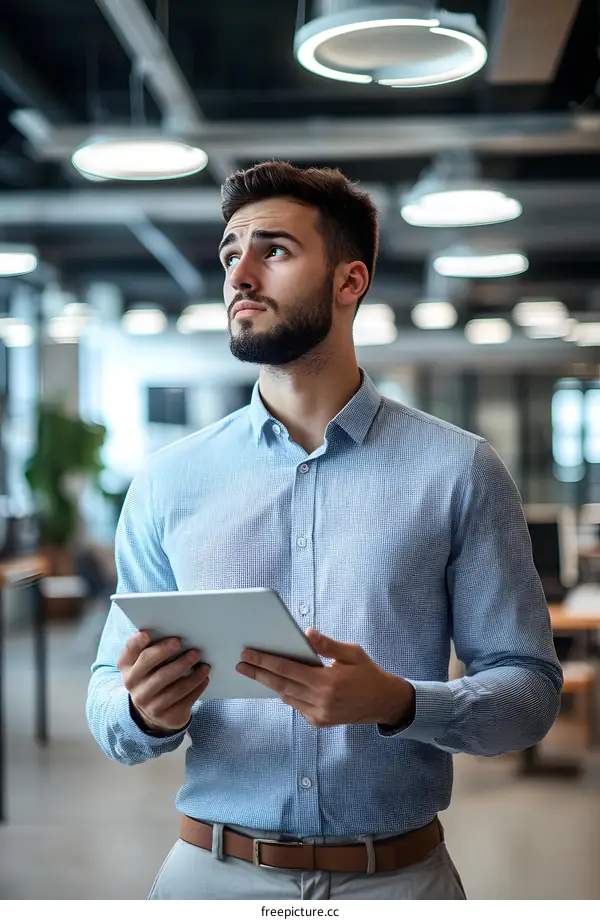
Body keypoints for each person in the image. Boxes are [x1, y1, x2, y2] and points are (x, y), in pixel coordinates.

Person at [87, 161, 563, 901]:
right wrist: (140, 710)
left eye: (273, 250)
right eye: (230, 253)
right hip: (209, 879)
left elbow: (529, 696)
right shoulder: (168, 481)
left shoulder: (459, 470)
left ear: (350, 282)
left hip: (399, 881)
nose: (240, 273)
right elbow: (102, 691)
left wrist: (399, 702)